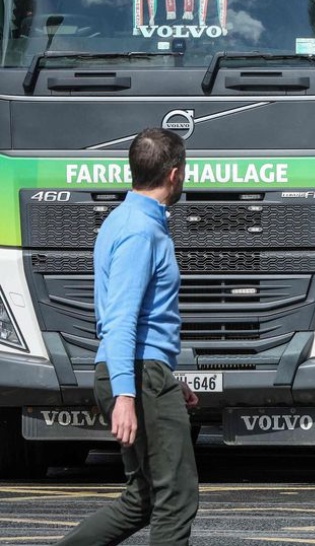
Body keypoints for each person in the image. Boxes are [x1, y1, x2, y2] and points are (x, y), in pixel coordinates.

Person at [58, 128, 198, 546]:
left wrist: (165, 378)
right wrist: (126, 395)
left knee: (143, 499)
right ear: (175, 174)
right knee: (177, 497)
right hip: (137, 376)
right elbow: (121, 319)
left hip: (143, 373)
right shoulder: (140, 230)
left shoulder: (122, 219)